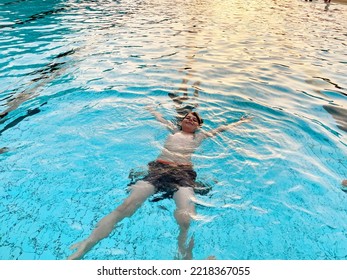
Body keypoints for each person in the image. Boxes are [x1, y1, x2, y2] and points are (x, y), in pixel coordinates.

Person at [67, 107, 253, 260]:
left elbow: (221, 129)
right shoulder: (174, 131)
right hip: (159, 170)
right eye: (187, 117)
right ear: (181, 122)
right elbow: (160, 118)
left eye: (194, 120)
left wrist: (240, 122)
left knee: (186, 217)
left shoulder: (198, 137)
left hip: (183, 174)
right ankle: (87, 245)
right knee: (127, 206)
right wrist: (152, 110)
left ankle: (183, 255)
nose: (190, 120)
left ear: (198, 126)